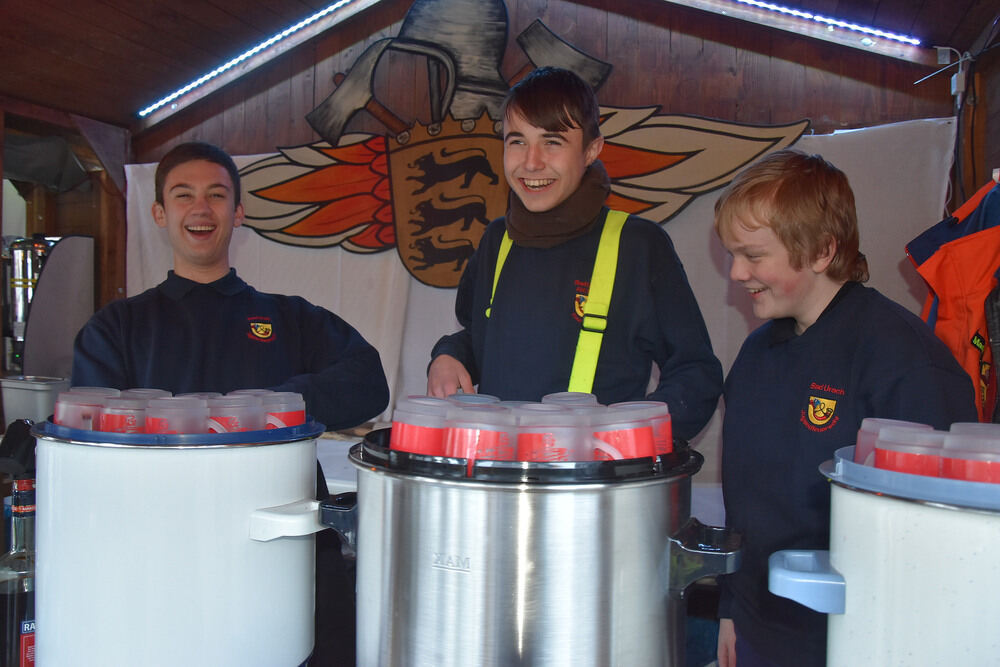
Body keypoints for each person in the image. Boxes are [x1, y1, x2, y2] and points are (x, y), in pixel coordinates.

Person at [71, 141, 388, 666]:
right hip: (160, 556)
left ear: (237, 213)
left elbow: (368, 381)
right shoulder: (117, 328)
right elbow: (90, 444)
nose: (201, 209)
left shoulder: (290, 318)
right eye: (183, 195)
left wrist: (277, 403)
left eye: (217, 195)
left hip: (286, 554)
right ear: (159, 213)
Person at [714, 148, 977, 667]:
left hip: (863, 634)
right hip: (761, 628)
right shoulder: (757, 353)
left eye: (754, 254)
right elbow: (745, 502)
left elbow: (942, 545)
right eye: (731, 254)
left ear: (821, 251)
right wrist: (731, 608)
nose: (737, 273)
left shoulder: (906, 362)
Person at [427, 67, 722, 442]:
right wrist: (449, 355)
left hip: (593, 489)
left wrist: (633, 437)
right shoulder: (496, 241)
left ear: (591, 150)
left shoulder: (638, 246)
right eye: (517, 141)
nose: (531, 162)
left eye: (552, 141)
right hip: (497, 476)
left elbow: (697, 372)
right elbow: (480, 338)